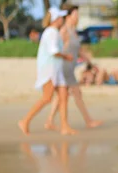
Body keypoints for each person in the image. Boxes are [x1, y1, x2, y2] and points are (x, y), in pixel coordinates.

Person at [18, 7, 76, 136]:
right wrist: (67, 57)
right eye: (61, 17)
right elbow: (54, 52)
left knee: (64, 96)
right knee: (47, 98)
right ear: (56, 19)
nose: (62, 20)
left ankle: (65, 126)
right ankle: (25, 121)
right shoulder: (51, 32)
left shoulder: (54, 31)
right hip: (49, 70)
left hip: (56, 70)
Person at [44, 4, 102, 131]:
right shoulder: (64, 30)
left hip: (70, 69)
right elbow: (56, 48)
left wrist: (91, 64)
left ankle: (49, 121)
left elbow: (79, 51)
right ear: (69, 16)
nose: (78, 17)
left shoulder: (73, 31)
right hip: (64, 68)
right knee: (75, 94)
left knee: (61, 96)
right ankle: (88, 121)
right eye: (76, 15)